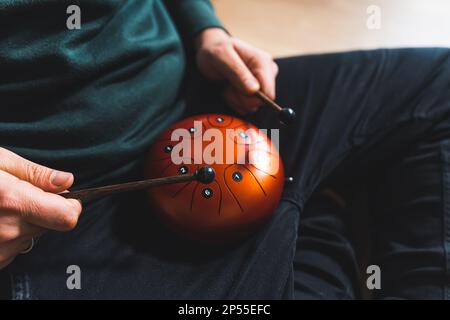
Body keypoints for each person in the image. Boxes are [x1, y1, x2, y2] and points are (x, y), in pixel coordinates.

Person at [0, 0, 449, 300]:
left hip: (209, 94)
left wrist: (204, 30)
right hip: (61, 204)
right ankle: (316, 224)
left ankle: (307, 225)